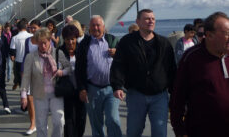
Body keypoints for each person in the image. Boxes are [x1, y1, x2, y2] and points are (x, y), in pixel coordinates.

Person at [111, 9, 176, 137]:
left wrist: (174, 92)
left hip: (159, 95)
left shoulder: (164, 43)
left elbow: (171, 69)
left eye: (152, 18)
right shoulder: (127, 42)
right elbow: (118, 65)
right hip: (136, 94)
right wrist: (117, 86)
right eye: (147, 18)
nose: (150, 21)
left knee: (160, 131)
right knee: (134, 131)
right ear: (138, 22)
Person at [170, 11, 229, 137]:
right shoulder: (191, 58)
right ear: (209, 35)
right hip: (201, 130)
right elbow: (177, 99)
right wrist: (180, 132)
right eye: (227, 33)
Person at [75, 15, 122, 137]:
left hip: (111, 88)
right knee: (96, 123)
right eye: (93, 25)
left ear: (103, 27)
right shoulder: (84, 44)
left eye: (98, 25)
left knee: (113, 119)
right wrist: (82, 89)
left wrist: (117, 54)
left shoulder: (113, 40)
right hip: (92, 89)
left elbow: (124, 61)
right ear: (89, 28)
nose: (96, 28)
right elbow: (79, 69)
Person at [21, 28, 71, 137]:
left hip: (56, 93)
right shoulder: (31, 56)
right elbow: (26, 77)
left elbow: (69, 68)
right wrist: (24, 95)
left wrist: (61, 72)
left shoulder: (58, 53)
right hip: (39, 94)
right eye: (39, 43)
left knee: (59, 121)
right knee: (41, 124)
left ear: (50, 41)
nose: (42, 46)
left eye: (45, 43)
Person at [60, 25, 86, 137]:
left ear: (76, 38)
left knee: (81, 119)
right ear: (64, 39)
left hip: (81, 89)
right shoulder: (59, 52)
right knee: (69, 119)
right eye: (67, 39)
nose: (70, 42)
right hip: (66, 90)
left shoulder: (82, 50)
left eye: (72, 39)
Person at [10, 19, 32, 91]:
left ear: (17, 28)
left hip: (19, 61)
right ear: (26, 27)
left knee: (21, 79)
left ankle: (23, 93)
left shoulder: (14, 38)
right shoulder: (32, 36)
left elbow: (12, 51)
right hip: (30, 61)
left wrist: (12, 57)